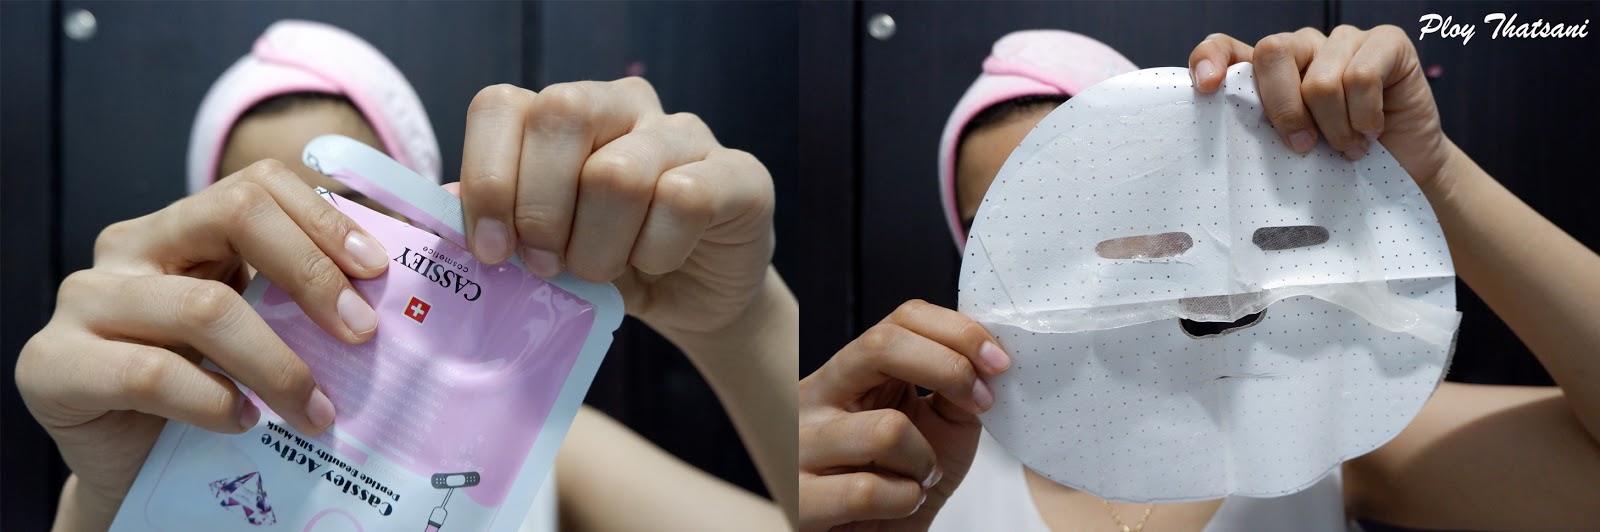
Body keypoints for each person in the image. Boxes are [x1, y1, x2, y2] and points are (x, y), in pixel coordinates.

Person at [799, 26, 1600, 531]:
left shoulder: (1318, 428)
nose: (1067, 257)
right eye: (1010, 229)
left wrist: (1433, 178)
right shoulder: (907, 470)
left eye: (1091, 208)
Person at [16, 20, 796, 531]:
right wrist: (104, 508)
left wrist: (742, 324)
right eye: (262, 224)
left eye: (354, 212)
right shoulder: (175, 445)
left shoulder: (533, 450)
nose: (310, 259)